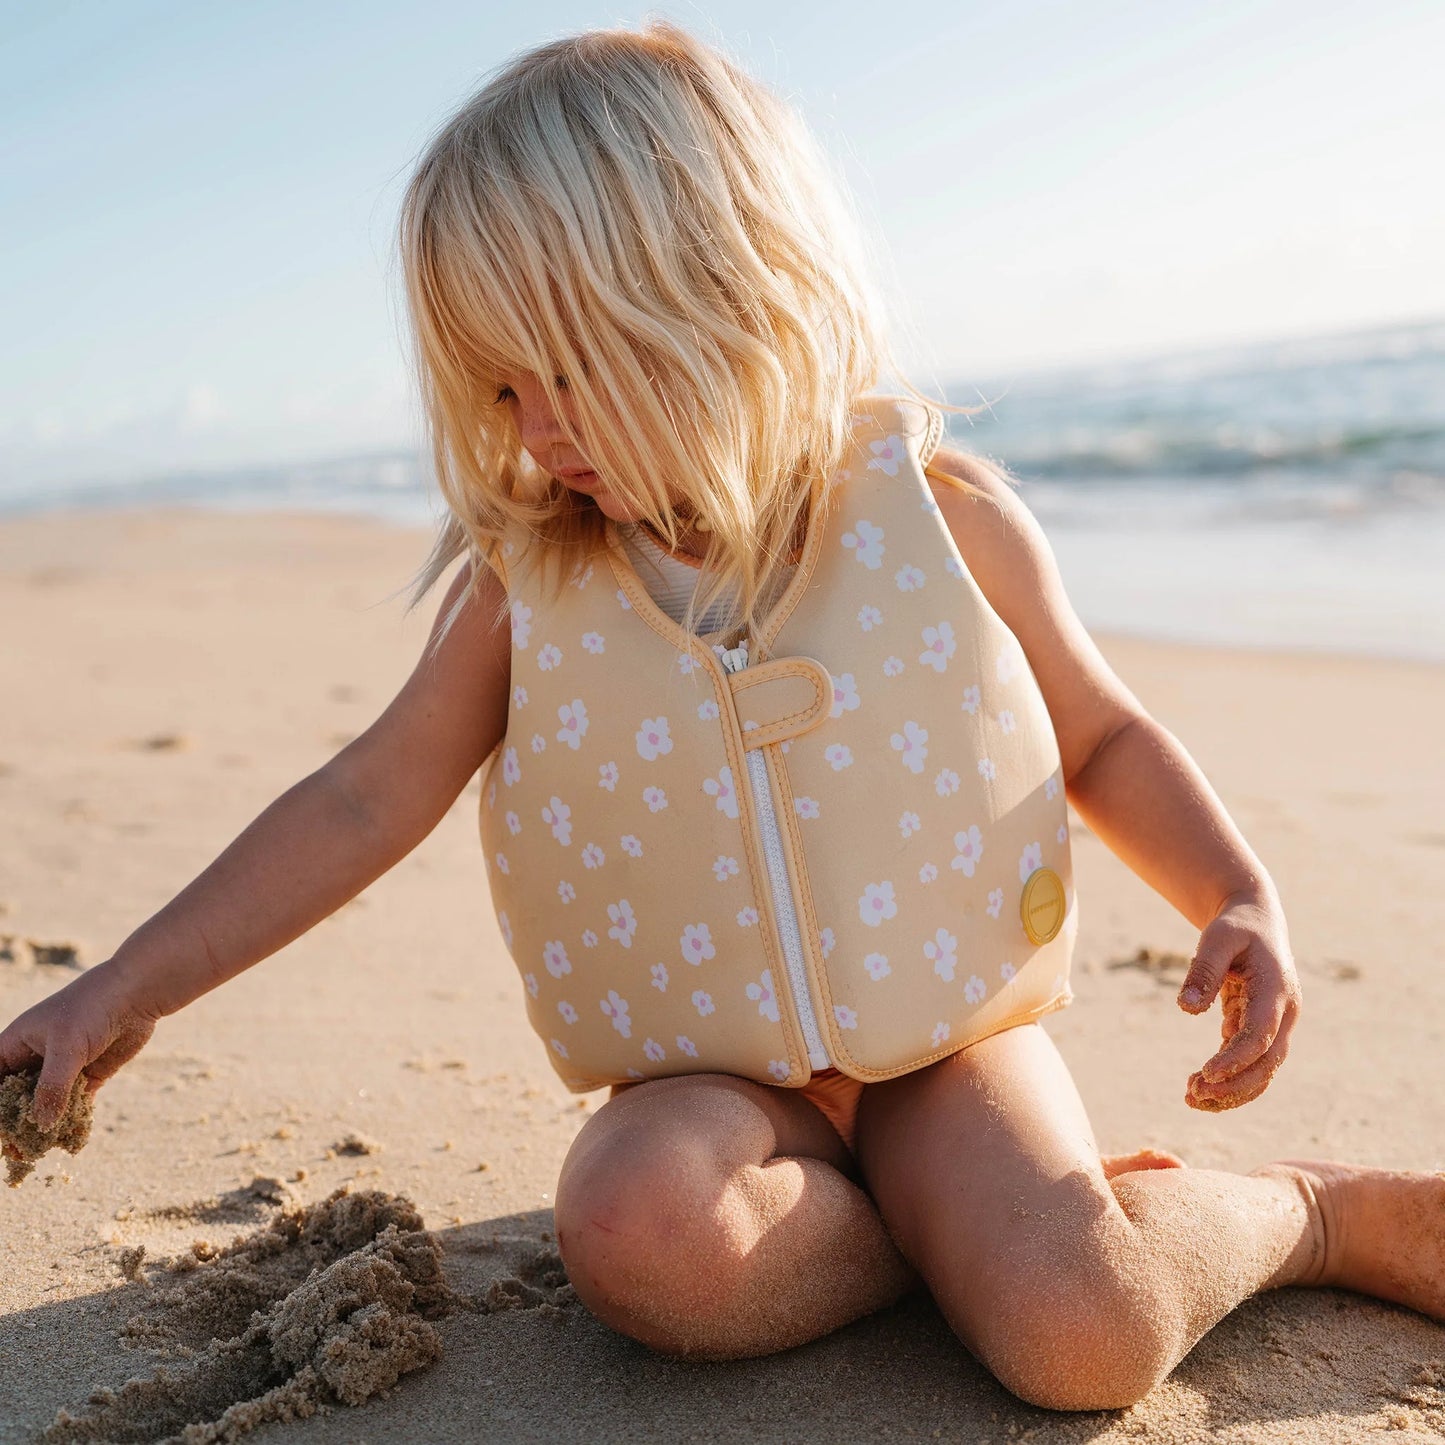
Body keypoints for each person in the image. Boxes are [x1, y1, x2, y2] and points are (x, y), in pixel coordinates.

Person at [1, 20, 1440, 1414]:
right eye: (498, 387)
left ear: (716, 299)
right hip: (709, 1096)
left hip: (943, 1048)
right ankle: (949, 1244)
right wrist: (122, 984)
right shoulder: (527, 590)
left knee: (1086, 1340)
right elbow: (360, 800)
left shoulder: (939, 521)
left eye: (562, 374)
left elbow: (1102, 737)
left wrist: (1231, 889)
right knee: (633, 1233)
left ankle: (1308, 1215)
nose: (530, 431)